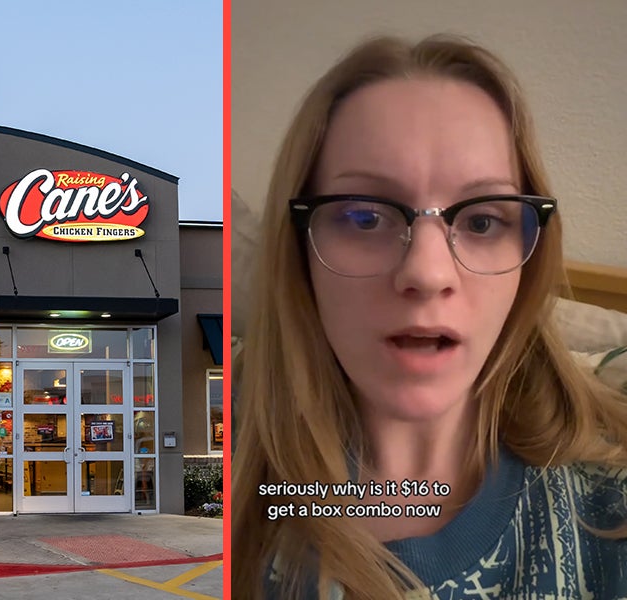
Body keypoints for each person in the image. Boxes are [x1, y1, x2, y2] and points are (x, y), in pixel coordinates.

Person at [231, 34, 627, 599]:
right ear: (299, 255)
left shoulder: (610, 505)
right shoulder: (218, 473)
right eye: (365, 218)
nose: (427, 272)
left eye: (483, 221)